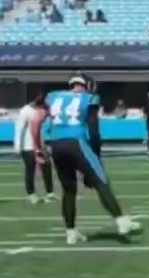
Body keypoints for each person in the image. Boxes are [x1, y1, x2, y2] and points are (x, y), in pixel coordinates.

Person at [42, 73, 141, 244]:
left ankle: (71, 233)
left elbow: (47, 123)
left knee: (69, 190)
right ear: (86, 85)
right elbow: (93, 131)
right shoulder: (89, 99)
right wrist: (96, 153)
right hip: (76, 142)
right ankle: (122, 221)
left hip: (56, 144)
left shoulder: (54, 97)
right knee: (100, 181)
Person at [15, 94, 55, 204]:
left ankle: (50, 193)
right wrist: (18, 146)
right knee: (30, 170)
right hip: (27, 146)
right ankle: (31, 193)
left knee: (47, 167)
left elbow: (48, 124)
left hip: (40, 145)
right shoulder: (25, 111)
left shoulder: (44, 110)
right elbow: (20, 129)